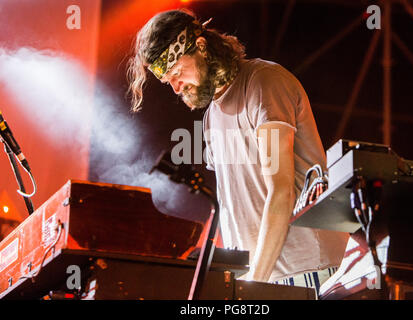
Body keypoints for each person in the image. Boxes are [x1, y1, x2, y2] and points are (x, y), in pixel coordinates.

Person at [127, 9, 348, 295]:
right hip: (259, 276)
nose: (176, 86)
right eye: (168, 80)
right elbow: (230, 205)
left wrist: (255, 282)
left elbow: (280, 190)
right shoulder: (211, 117)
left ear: (202, 48)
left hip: (303, 271)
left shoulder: (264, 83)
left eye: (178, 72)